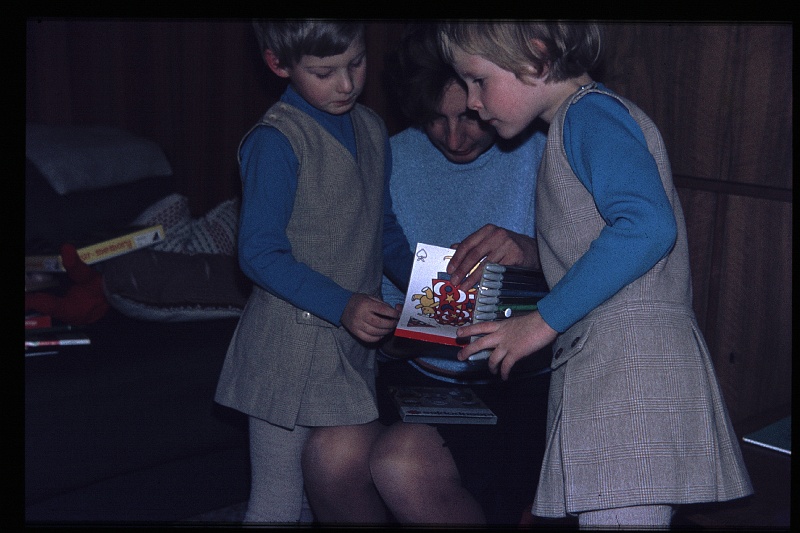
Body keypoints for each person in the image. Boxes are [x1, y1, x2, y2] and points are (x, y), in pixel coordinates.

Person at [438, 21, 754, 529]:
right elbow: (602, 244)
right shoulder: (577, 120)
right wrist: (532, 256)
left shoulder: (590, 116)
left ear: (536, 57)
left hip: (629, 374)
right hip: (612, 370)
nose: (473, 101)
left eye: (478, 80)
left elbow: (648, 226)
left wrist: (541, 320)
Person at [301, 23, 550, 525]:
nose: (454, 137)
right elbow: (371, 277)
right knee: (329, 455)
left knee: (402, 461)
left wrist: (530, 252)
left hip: (517, 381)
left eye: (469, 118)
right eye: (436, 120)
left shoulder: (541, 151)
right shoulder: (391, 155)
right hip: (415, 372)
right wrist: (391, 330)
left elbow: (599, 270)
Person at [214, 20, 414, 524]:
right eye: (324, 72)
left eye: (356, 63)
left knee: (318, 492)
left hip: (349, 347)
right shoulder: (276, 140)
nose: (346, 84)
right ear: (278, 64)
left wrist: (426, 283)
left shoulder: (371, 129)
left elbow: (382, 228)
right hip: (286, 348)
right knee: (279, 500)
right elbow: (258, 253)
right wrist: (341, 304)